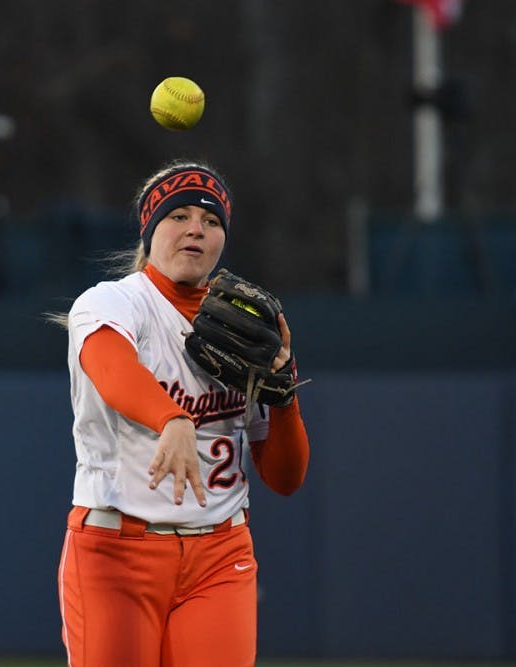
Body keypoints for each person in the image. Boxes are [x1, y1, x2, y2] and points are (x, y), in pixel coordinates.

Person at [56, 159, 311, 667]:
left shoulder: (246, 327)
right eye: (179, 215)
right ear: (151, 230)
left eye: (212, 221)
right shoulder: (112, 302)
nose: (196, 228)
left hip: (221, 554)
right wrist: (171, 418)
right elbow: (111, 366)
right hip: (117, 549)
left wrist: (284, 396)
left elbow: (285, 478)